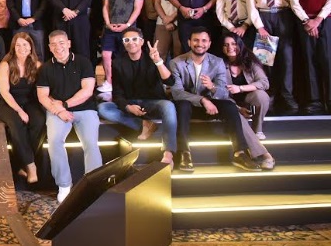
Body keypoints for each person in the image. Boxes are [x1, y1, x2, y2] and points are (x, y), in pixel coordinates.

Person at [169, 27, 265, 172]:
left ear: (209, 44)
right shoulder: (176, 62)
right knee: (182, 105)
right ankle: (184, 153)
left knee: (230, 106)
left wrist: (212, 87)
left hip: (210, 108)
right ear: (189, 42)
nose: (199, 44)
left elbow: (223, 93)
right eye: (196, 40)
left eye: (204, 41)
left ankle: (239, 153)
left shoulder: (217, 62)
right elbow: (177, 93)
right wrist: (203, 100)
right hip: (188, 107)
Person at [36, 30, 101, 204]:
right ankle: (64, 185)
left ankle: (94, 185)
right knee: (54, 141)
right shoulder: (45, 68)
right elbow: (42, 96)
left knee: (91, 143)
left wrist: (64, 105)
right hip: (57, 111)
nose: (58, 47)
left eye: (61, 43)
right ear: (49, 47)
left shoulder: (83, 62)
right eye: (54, 44)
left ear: (69, 43)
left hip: (84, 109)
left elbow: (87, 90)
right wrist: (59, 111)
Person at [96, 28, 177, 165]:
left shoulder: (152, 58)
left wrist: (158, 61)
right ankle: (145, 125)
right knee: (103, 108)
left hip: (153, 102)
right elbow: (117, 94)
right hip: (131, 102)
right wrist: (128, 107)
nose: (131, 42)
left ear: (142, 42)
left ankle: (168, 155)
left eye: (134, 39)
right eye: (126, 40)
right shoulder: (118, 63)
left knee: (168, 105)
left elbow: (170, 82)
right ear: (123, 43)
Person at [245, 0, 298, 115]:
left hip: (283, 16)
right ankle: (270, 96)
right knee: (266, 61)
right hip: (264, 18)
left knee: (286, 59)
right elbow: (251, 6)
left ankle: (288, 96)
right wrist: (260, 27)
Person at [289, 0, 330, 115]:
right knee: (309, 60)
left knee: (327, 59)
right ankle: (315, 101)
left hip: (326, 19)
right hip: (304, 21)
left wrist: (318, 19)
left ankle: (329, 99)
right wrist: (307, 21)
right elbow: (294, 1)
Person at [0, 33, 44, 183]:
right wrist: (20, 111)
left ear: (31, 47)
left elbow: (42, 89)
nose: (21, 48)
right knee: (16, 124)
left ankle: (21, 164)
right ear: (13, 48)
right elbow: (5, 92)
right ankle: (31, 166)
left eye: (25, 44)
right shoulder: (5, 65)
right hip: (8, 102)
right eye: (18, 45)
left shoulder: (37, 65)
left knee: (39, 121)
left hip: (29, 101)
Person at [98, 0, 144, 93]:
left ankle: (127, 82)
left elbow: (138, 8)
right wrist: (107, 23)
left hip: (129, 29)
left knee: (128, 55)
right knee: (106, 54)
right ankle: (109, 82)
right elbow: (105, 6)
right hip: (110, 27)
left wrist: (128, 24)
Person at [222, 33, 271, 139]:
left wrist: (240, 88)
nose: (230, 47)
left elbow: (264, 83)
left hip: (249, 100)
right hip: (229, 102)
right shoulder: (219, 64)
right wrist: (238, 108)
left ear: (240, 45)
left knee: (261, 95)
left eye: (234, 44)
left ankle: (257, 130)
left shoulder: (250, 62)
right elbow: (219, 93)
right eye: (226, 45)